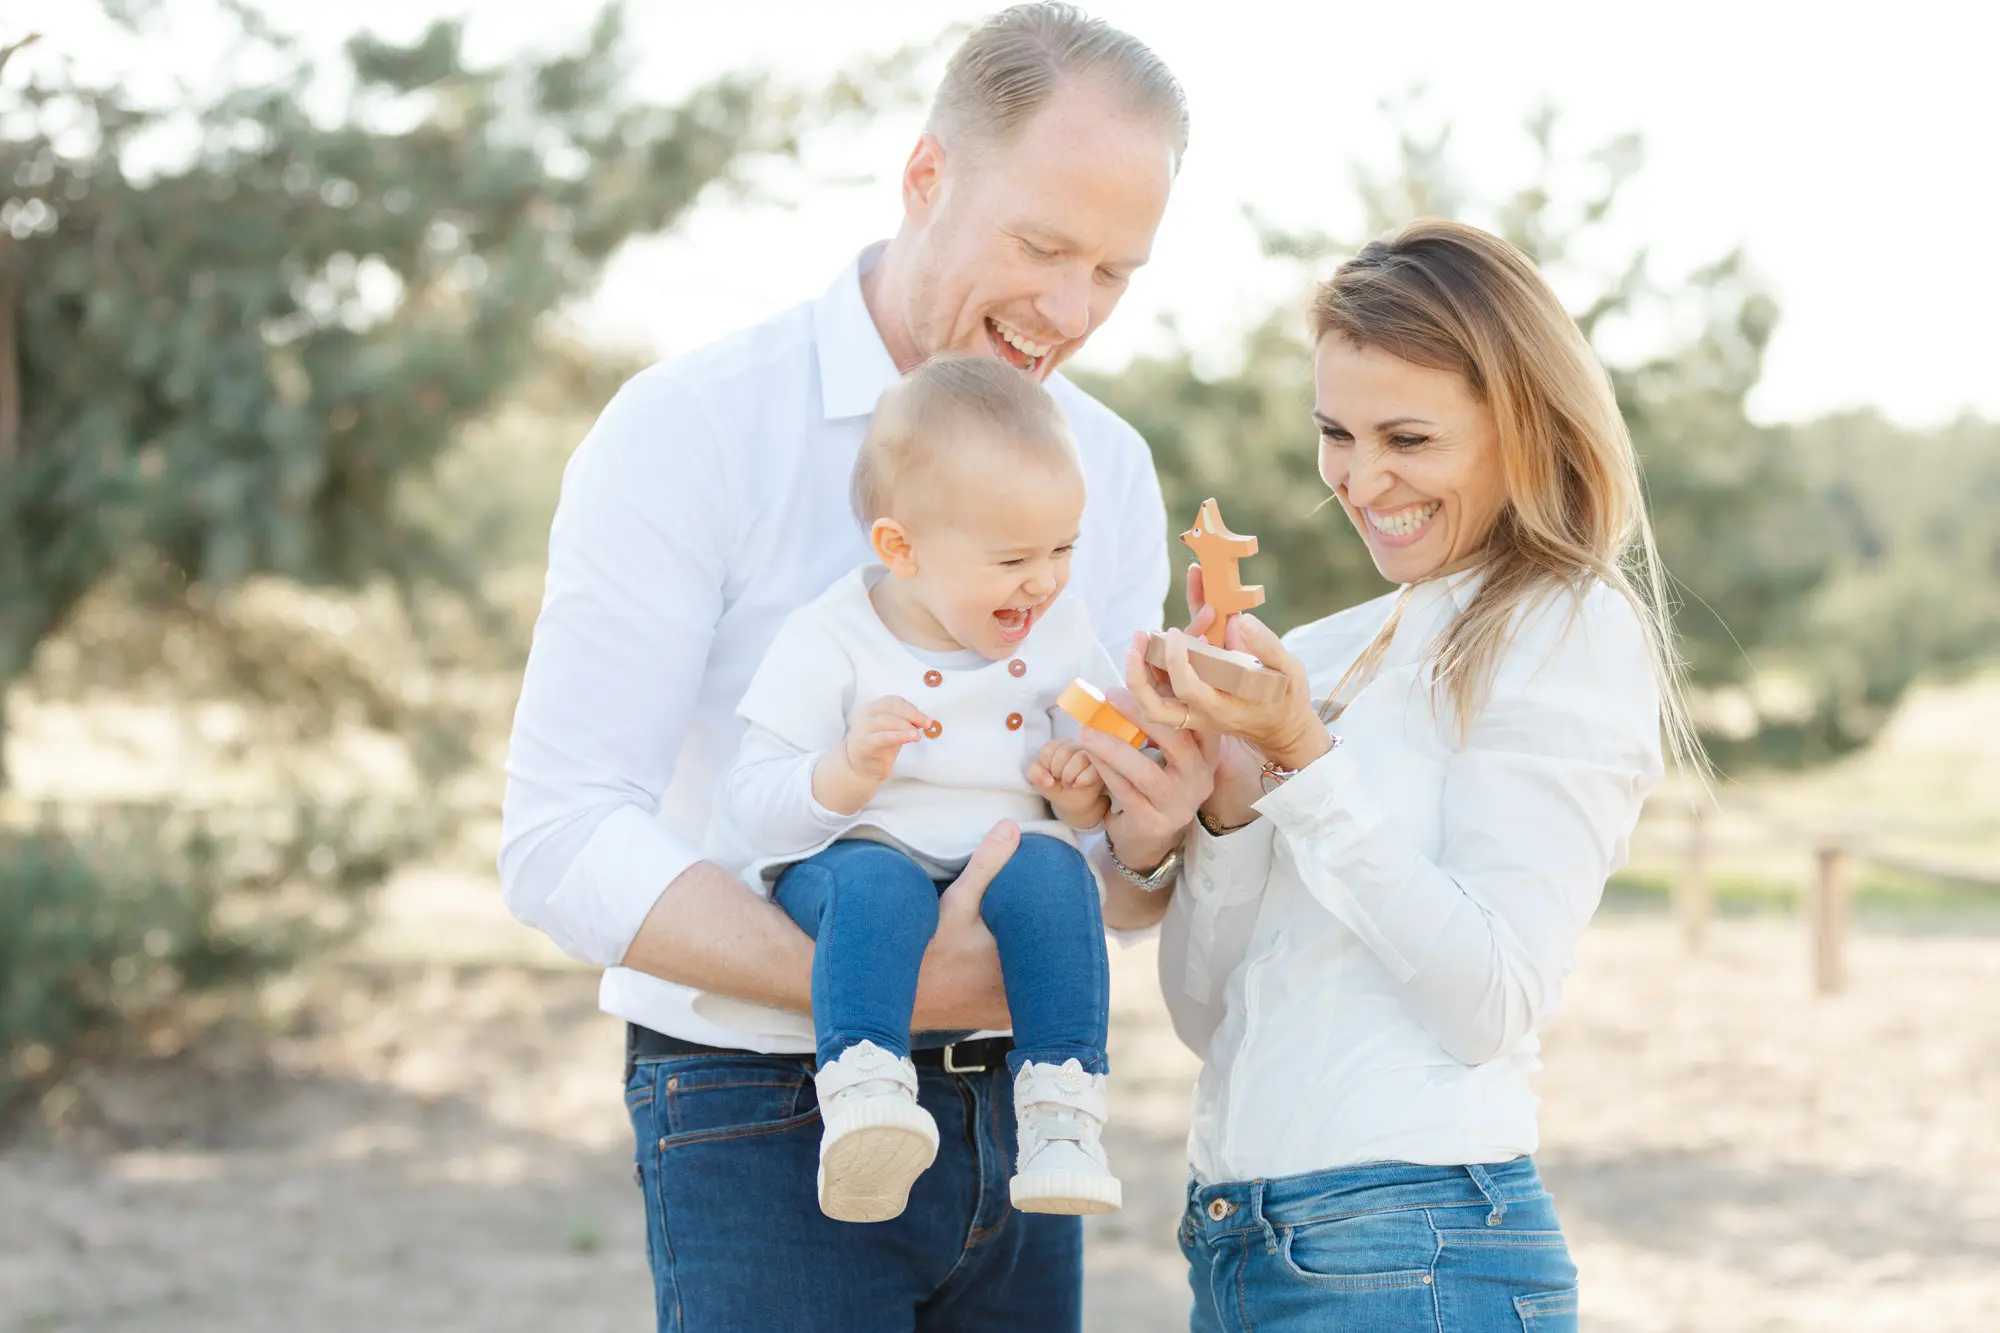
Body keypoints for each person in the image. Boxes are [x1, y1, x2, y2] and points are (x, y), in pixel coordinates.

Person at [497, 6, 1195, 1329]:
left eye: (1114, 272)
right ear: (925, 178)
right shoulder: (692, 427)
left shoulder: (1107, 467)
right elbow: (561, 833)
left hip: (1028, 1114)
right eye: (1044, 244)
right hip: (759, 1110)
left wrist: (1152, 844)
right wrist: (876, 985)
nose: (1068, 312)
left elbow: (1105, 866)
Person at [1071, 218, 1692, 1333]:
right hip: (1242, 1239)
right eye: (1335, 434)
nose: (1361, 481)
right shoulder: (1318, 653)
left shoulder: (1567, 628)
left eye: (1408, 437)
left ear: (1524, 426)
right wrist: (1216, 809)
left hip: (1418, 1248)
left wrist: (1303, 760)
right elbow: (1213, 1019)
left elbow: (1488, 1000)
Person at [715, 355, 1139, 1224]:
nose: (1047, 580)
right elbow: (752, 804)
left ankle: (1063, 1117)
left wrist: (1078, 788)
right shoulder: (830, 637)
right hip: (863, 849)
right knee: (879, 888)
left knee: (1061, 883)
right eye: (1015, 557)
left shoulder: (1057, 628)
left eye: (1064, 548)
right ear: (900, 549)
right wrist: (845, 772)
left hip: (1008, 849)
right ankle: (866, 1092)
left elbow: (1092, 787)